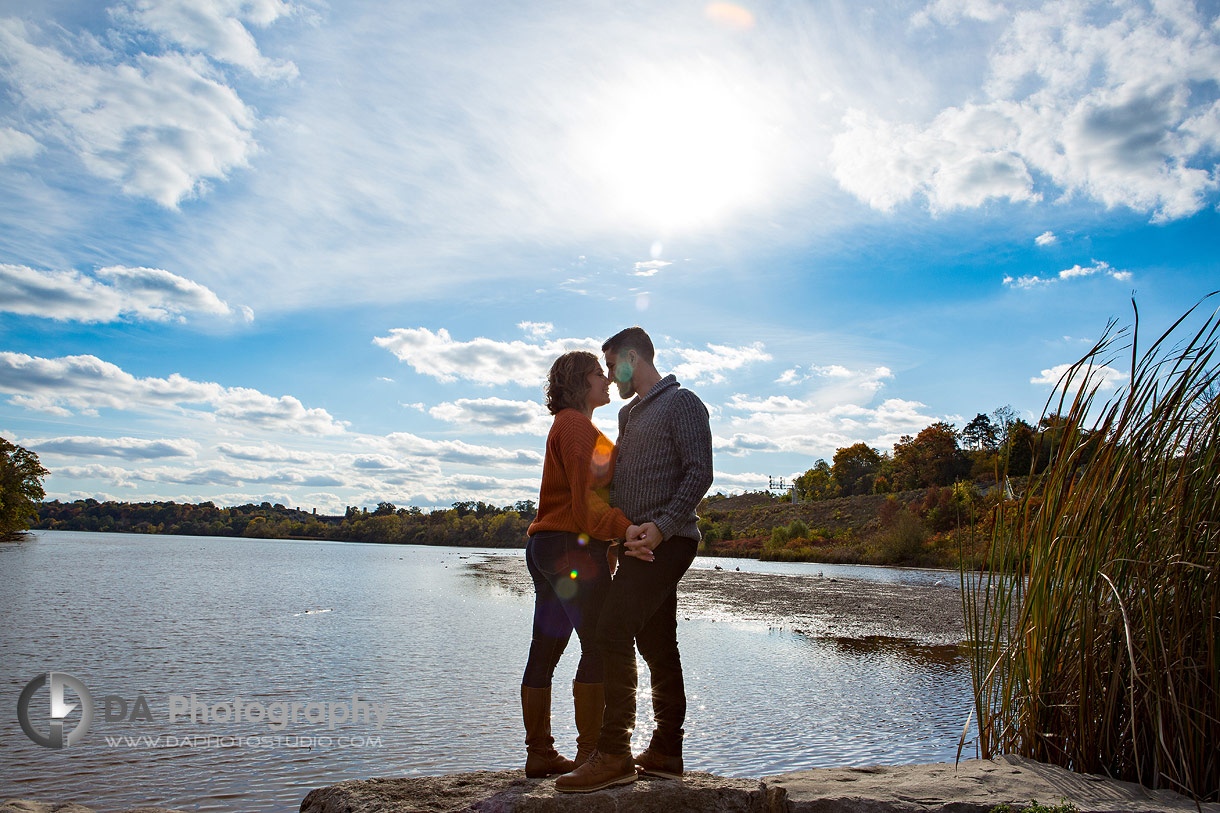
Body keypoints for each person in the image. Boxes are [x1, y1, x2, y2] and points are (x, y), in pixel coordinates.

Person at [556, 327, 714, 793]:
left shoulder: (682, 402)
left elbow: (700, 472)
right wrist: (616, 542)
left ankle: (614, 754)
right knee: (658, 646)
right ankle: (666, 751)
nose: (608, 376)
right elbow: (623, 485)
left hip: (670, 541)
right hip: (636, 546)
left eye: (610, 367)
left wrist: (662, 527)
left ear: (631, 358)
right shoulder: (628, 414)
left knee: (611, 630)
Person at [519, 350, 648, 778]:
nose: (607, 380)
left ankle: (540, 754)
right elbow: (583, 501)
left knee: (548, 648)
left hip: (551, 546)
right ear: (580, 382)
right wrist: (626, 528)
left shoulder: (575, 424)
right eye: (599, 373)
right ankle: (591, 754)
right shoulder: (574, 425)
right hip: (571, 548)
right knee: (598, 644)